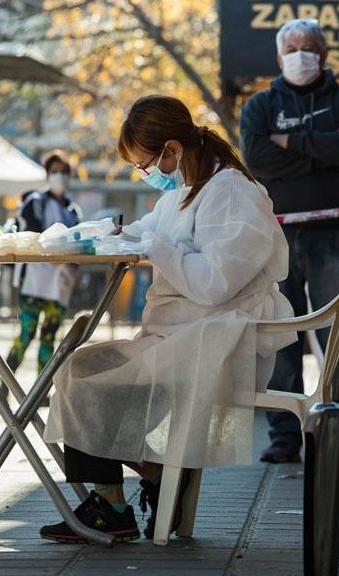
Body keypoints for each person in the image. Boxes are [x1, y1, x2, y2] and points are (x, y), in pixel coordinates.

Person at [39, 95, 294, 543]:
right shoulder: (183, 194)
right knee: (80, 368)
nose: (146, 174)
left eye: (145, 165)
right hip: (182, 333)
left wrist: (156, 249)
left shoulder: (232, 192)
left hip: (218, 340)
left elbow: (216, 281)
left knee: (85, 376)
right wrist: (100, 234)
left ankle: (118, 500)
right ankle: (141, 483)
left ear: (171, 150)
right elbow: (146, 232)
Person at [239, 18, 339, 464]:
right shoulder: (259, 106)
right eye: (292, 47)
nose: (301, 54)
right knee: (281, 334)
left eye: (309, 46)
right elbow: (258, 158)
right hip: (277, 237)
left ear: (325, 53)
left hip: (335, 237)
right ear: (279, 57)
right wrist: (321, 150)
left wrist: (289, 144)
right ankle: (285, 436)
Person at [3, 152, 81, 387]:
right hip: (33, 280)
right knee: (26, 334)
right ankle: (5, 384)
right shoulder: (34, 203)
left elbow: (79, 242)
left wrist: (69, 267)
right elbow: (29, 237)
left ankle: (41, 390)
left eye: (65, 172)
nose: (60, 176)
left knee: (49, 338)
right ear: (47, 174)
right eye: (55, 171)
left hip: (59, 283)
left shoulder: (73, 210)